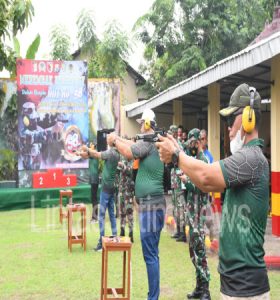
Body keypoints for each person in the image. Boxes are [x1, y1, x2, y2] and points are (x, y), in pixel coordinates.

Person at [156, 83, 270, 300]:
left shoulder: (252, 159)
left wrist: (177, 155)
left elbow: (207, 177)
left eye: (230, 120)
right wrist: (178, 156)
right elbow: (204, 181)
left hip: (246, 287)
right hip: (235, 284)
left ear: (248, 118)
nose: (227, 128)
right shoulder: (246, 159)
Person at [107, 108, 165, 300]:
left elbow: (130, 151)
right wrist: (118, 138)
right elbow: (132, 144)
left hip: (151, 205)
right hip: (152, 205)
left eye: (142, 122)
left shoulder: (149, 143)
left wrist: (115, 140)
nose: (140, 125)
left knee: (150, 255)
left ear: (148, 124)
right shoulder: (149, 142)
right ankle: (153, 295)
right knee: (152, 254)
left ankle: (153, 297)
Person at [180, 128, 211, 299]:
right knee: (193, 251)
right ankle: (199, 287)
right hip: (191, 213)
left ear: (198, 142)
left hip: (199, 213)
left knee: (200, 251)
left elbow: (202, 186)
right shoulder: (193, 160)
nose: (190, 146)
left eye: (192, 143)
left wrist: (188, 182)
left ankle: (205, 290)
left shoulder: (203, 160)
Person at [79, 136, 120, 252]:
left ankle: (101, 243)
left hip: (106, 188)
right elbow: (95, 154)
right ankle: (115, 237)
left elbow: (97, 155)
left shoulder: (111, 153)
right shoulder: (116, 153)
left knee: (101, 216)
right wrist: (86, 151)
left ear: (111, 142)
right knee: (111, 214)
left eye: (108, 139)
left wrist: (87, 148)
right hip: (112, 187)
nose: (106, 140)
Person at [117, 156, 135, 242]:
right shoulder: (122, 158)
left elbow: (130, 171)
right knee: (121, 211)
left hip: (129, 190)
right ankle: (122, 231)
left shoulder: (133, 159)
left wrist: (123, 166)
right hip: (121, 189)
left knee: (129, 211)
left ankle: (131, 233)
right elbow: (118, 170)